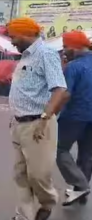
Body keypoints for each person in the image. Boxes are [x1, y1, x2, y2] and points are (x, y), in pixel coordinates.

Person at [7, 17, 68, 220]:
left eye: (13, 36)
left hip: (38, 124)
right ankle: (24, 215)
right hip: (18, 124)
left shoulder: (46, 54)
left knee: (38, 175)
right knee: (20, 175)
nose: (12, 41)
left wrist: (45, 118)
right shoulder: (25, 56)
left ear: (26, 33)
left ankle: (47, 202)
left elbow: (60, 89)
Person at [56, 31, 92, 206]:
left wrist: (50, 114)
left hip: (74, 116)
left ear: (76, 46)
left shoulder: (74, 67)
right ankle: (80, 193)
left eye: (66, 46)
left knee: (59, 150)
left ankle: (81, 185)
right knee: (86, 155)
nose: (64, 51)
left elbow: (64, 94)